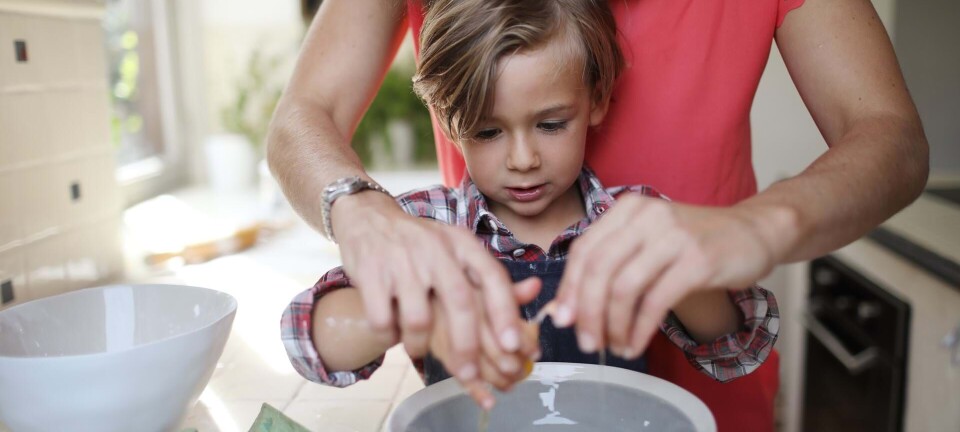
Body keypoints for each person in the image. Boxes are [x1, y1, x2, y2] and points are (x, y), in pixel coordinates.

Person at [268, 0, 928, 430]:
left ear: (596, 101)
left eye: (550, 123)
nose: (522, 159)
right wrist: (370, 240)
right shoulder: (438, 223)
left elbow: (890, 138)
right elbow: (313, 333)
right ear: (448, 117)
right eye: (489, 131)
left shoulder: (628, 216)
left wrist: (752, 230)